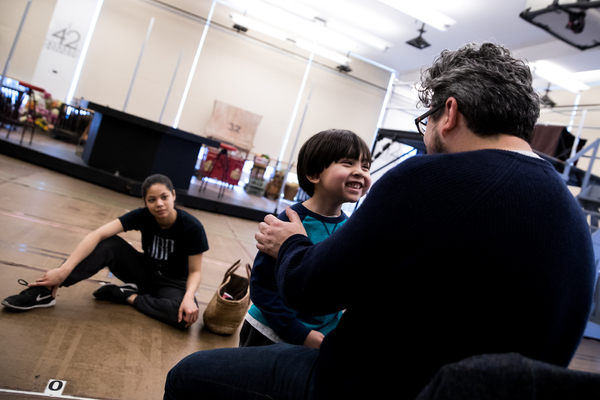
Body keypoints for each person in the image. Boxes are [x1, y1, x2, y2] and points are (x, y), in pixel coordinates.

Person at [163, 42, 596, 400]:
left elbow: (310, 292)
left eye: (425, 122)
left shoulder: (426, 179)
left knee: (187, 376)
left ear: (449, 113)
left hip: (361, 389)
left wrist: (292, 244)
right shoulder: (573, 218)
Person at [2, 174, 209, 329]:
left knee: (182, 318)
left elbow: (195, 272)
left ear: (173, 195)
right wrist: (64, 270)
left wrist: (189, 297)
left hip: (173, 284)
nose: (159, 204)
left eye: (164, 197)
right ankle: (45, 292)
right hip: (145, 272)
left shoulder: (192, 227)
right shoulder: (142, 216)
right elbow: (97, 235)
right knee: (108, 243)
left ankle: (125, 295)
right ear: (145, 202)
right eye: (152, 200)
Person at [239, 129, 372, 348]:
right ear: (313, 174)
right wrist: (299, 333)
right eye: (348, 163)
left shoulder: (352, 229)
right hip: (270, 332)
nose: (360, 172)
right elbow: (261, 287)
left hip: (320, 337)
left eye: (365, 166)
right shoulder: (289, 222)